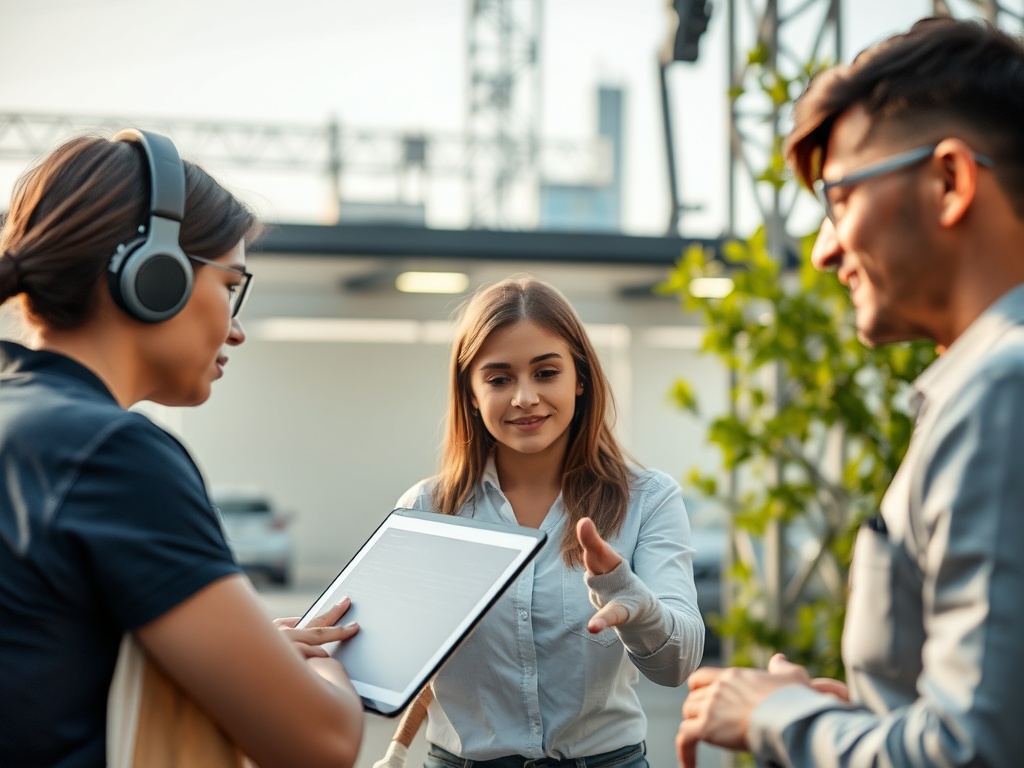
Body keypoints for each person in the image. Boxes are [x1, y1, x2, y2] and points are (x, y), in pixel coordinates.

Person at [676, 16, 1024, 768]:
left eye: (837, 198)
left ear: (951, 181)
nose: (825, 248)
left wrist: (783, 719)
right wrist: (854, 718)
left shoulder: (1001, 390)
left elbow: (973, 752)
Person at [0, 130, 364, 767]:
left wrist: (256, 652)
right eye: (231, 287)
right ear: (153, 275)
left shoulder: (24, 424)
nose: (238, 328)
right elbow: (323, 742)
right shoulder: (112, 455)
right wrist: (326, 668)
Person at [387, 276, 704, 768]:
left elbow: (676, 664)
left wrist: (629, 597)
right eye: (498, 379)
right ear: (470, 393)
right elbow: (385, 655)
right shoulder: (428, 509)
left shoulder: (649, 498)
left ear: (580, 378)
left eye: (545, 372)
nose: (525, 397)